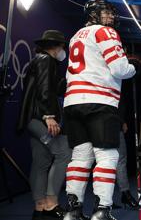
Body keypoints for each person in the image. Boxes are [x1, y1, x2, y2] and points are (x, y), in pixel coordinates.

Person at [62, 0, 136, 220]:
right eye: (106, 12)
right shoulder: (106, 32)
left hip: (73, 101)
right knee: (107, 156)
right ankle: (103, 209)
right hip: (99, 100)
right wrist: (134, 67)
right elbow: (119, 68)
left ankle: (73, 210)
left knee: (80, 156)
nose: (111, 17)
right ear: (94, 14)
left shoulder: (76, 35)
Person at [17, 29, 71, 220]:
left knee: (41, 161)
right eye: (62, 46)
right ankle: (51, 203)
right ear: (55, 47)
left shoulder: (41, 61)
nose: (63, 50)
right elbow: (44, 90)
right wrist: (49, 116)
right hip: (40, 118)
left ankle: (39, 207)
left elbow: (51, 87)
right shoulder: (45, 60)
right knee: (64, 152)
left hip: (31, 119)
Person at [115, 85, 138, 209]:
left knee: (118, 161)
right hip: (108, 123)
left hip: (116, 124)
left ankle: (124, 193)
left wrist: (122, 121)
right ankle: (124, 194)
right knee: (118, 161)